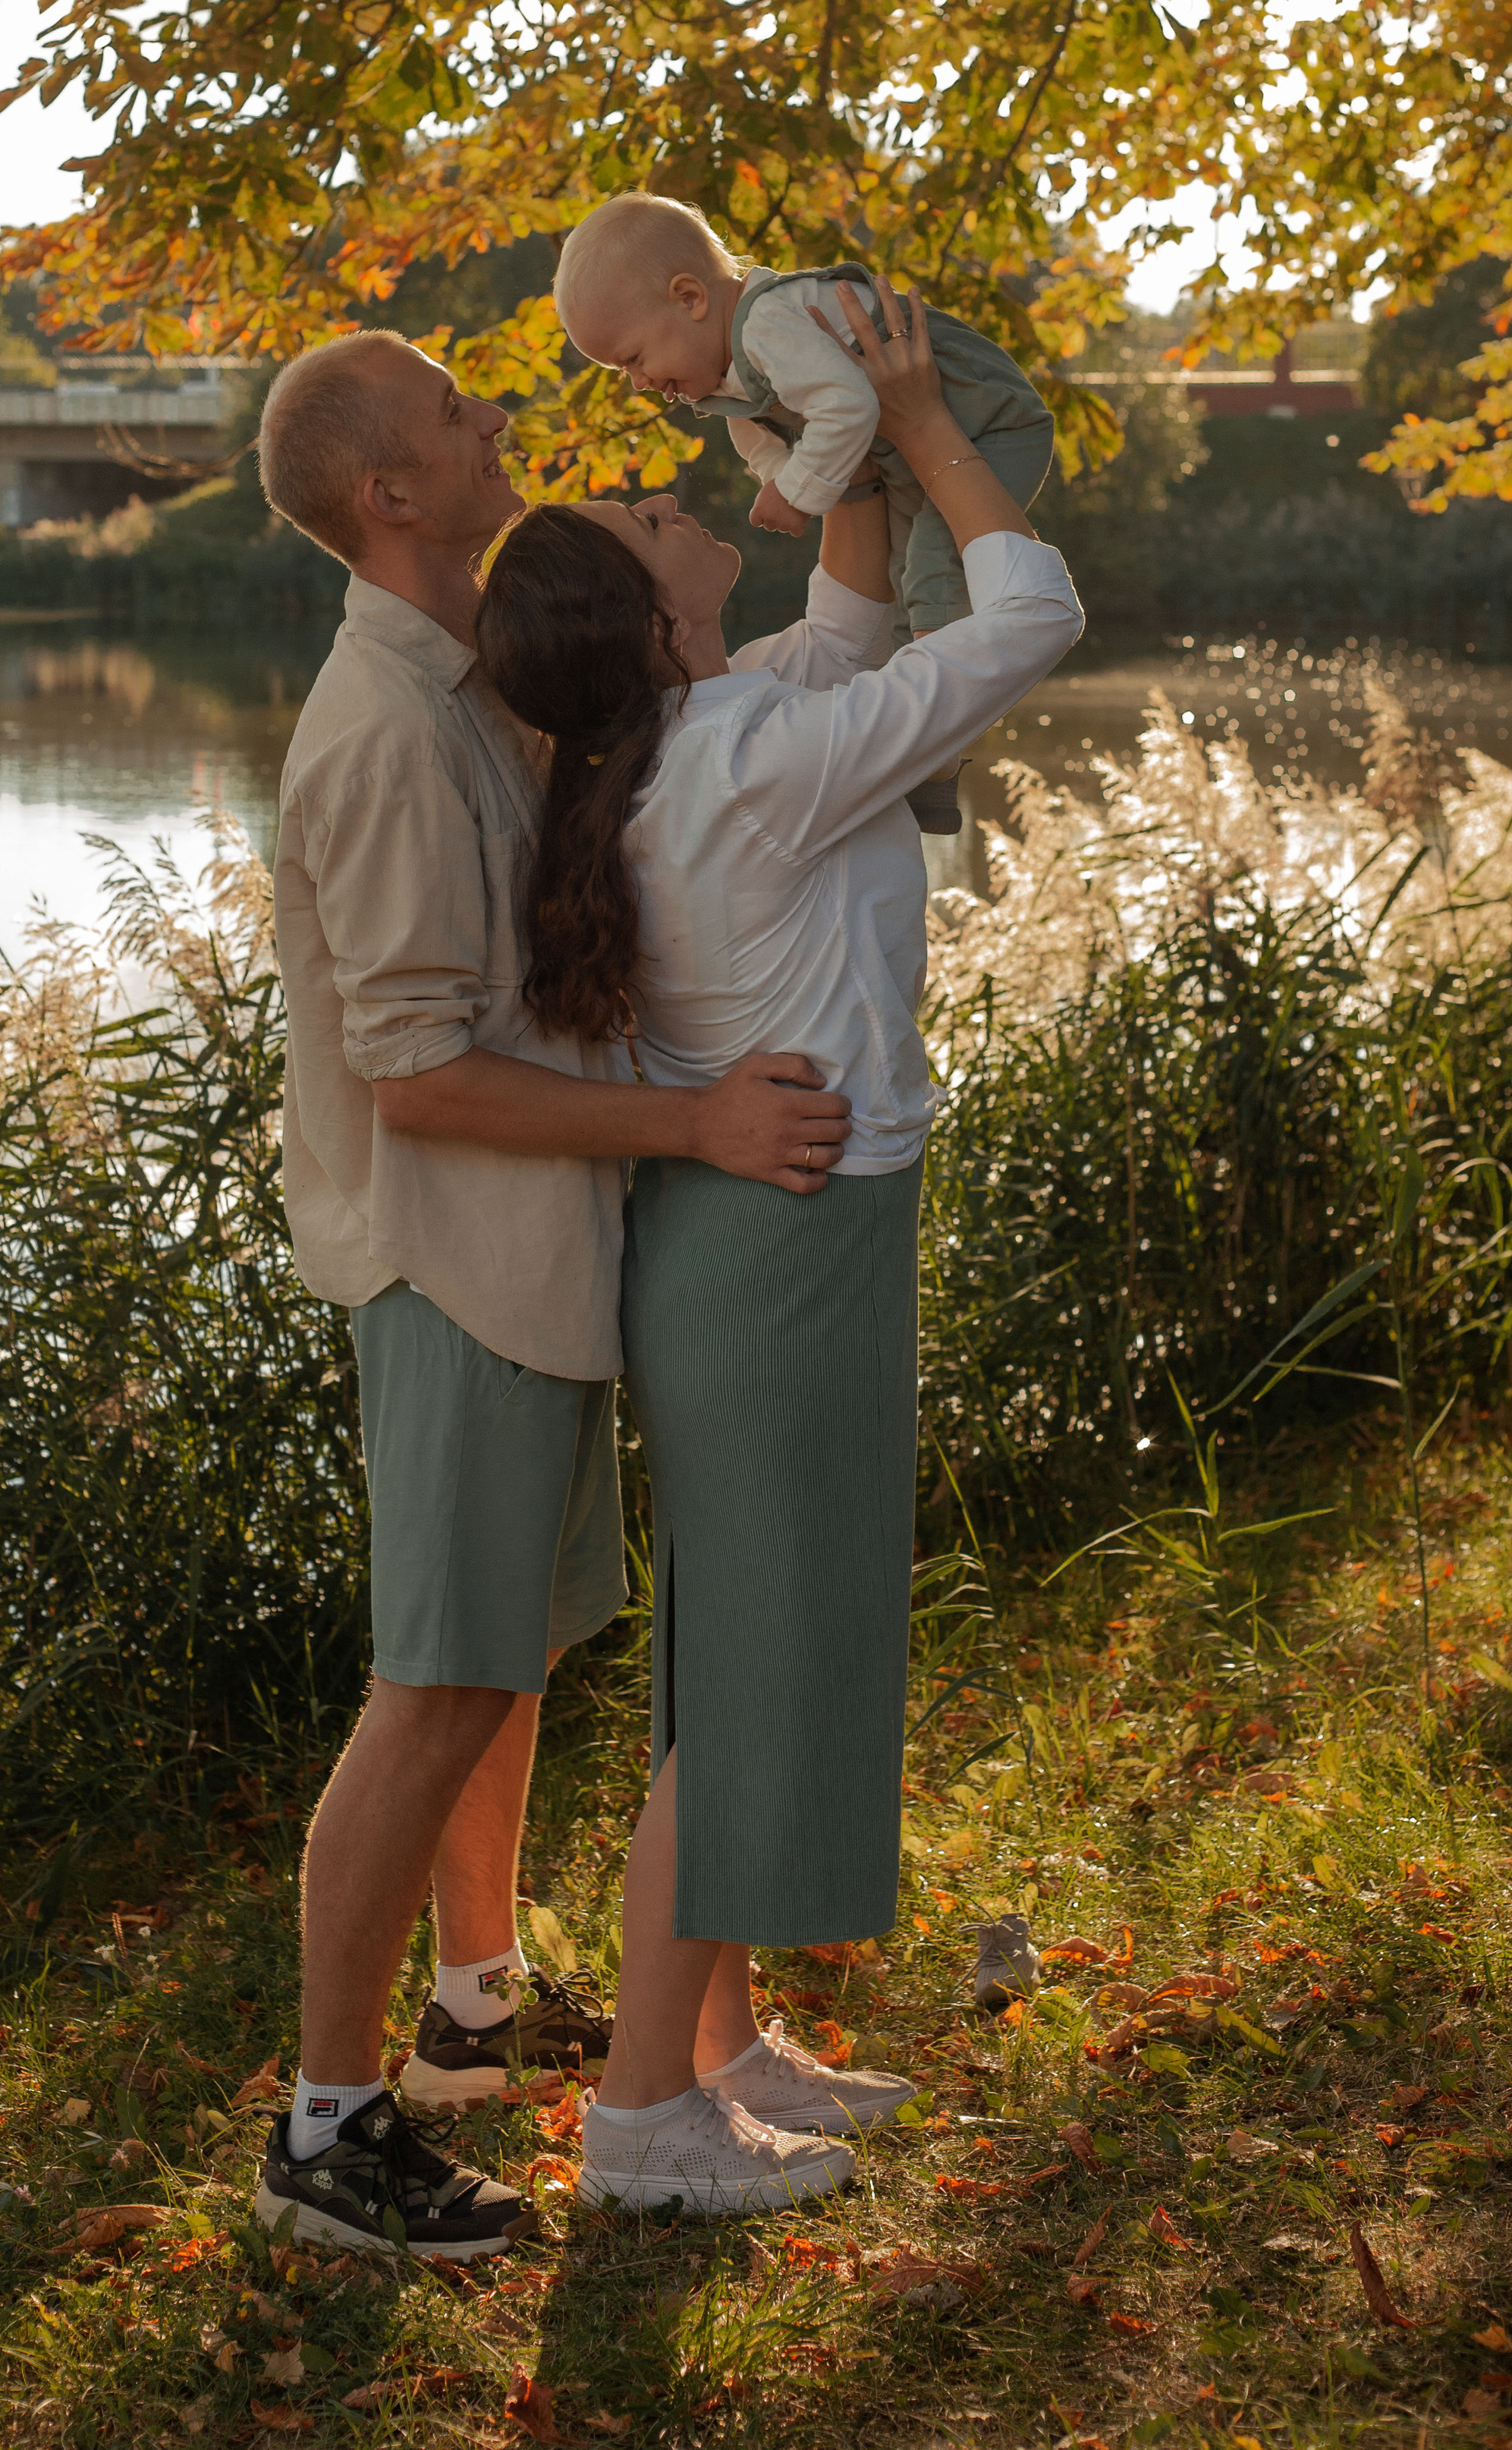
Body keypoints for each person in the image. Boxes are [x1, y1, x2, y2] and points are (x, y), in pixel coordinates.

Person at [474, 275, 1084, 2215]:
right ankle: (637, 2124)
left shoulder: (701, 732)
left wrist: (847, 459)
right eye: (645, 518)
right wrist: (919, 425)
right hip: (780, 1248)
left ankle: (718, 2049)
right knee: (744, 1689)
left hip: (755, 1237)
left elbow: (842, 630)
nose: (669, 495)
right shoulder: (735, 763)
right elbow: (1031, 619)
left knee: (725, 1662)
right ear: (651, 618)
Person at [247, 327, 855, 2263]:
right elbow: (418, 1075)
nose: (493, 413)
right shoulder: (383, 731)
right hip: (450, 1265)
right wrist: (693, 1124)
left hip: (519, 1263)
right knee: (433, 1685)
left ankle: (470, 2012)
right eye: (454, 411)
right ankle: (325, 2130)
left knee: (497, 1663)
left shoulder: (467, 686)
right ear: (388, 495)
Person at [552, 194, 1055, 830]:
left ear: (690, 298)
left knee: (932, 566)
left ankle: (935, 747)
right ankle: (932, 756)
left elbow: (848, 407)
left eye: (632, 358)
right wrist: (781, 475)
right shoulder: (732, 373)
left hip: (987, 420)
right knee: (910, 577)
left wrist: (797, 490)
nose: (638, 382)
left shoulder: (768, 324)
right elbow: (758, 436)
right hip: (916, 445)